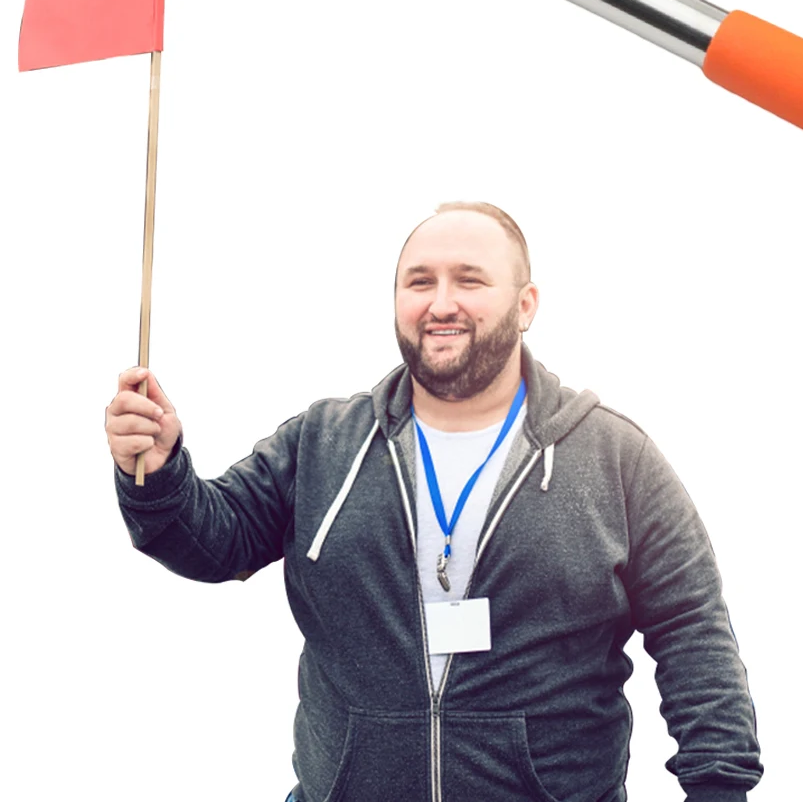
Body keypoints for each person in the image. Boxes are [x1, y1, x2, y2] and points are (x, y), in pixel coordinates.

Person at [106, 200, 761, 802]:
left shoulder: (614, 458)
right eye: (419, 282)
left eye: (469, 280)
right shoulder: (325, 443)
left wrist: (719, 789)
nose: (441, 303)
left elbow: (692, 630)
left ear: (526, 303)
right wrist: (158, 470)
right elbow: (213, 540)